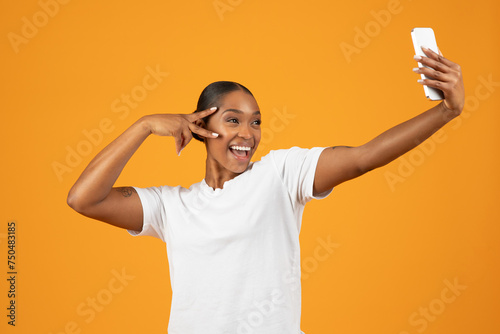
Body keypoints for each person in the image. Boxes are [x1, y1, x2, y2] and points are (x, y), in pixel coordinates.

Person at [67, 47, 464, 333]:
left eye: (255, 122)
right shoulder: (172, 207)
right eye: (233, 119)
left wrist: (446, 110)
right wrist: (143, 125)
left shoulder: (281, 174)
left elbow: (364, 157)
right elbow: (83, 198)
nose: (247, 134)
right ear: (202, 126)